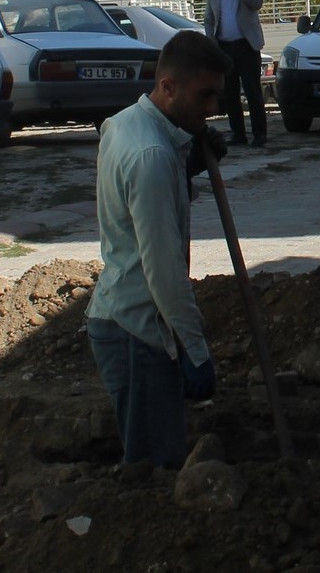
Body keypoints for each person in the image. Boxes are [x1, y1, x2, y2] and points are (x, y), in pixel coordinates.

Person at [88, 31, 231, 467]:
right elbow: (164, 270)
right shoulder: (151, 155)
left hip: (120, 315)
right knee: (153, 471)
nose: (213, 109)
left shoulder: (127, 122)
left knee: (151, 461)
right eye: (204, 95)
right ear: (168, 86)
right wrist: (196, 349)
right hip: (139, 330)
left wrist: (185, 159)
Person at [204, 0, 267, 146]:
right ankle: (238, 134)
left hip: (246, 46)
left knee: (252, 91)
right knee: (230, 94)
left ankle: (260, 134)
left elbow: (256, 3)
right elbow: (209, 19)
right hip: (225, 48)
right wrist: (212, 42)